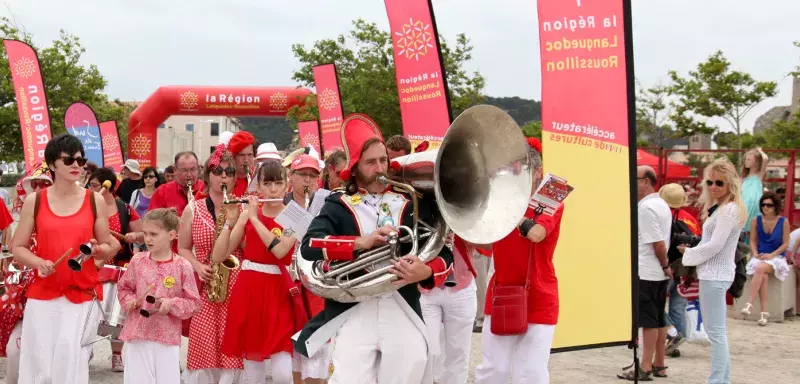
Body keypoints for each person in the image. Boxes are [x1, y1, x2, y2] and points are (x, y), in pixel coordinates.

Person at [295, 113, 453, 383]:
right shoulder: (338, 204)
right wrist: (361, 242)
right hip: (355, 308)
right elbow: (310, 245)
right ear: (355, 168)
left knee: (412, 366)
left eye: (383, 160)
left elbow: (445, 254)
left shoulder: (412, 201)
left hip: (401, 304)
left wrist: (426, 272)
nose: (380, 168)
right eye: (370, 162)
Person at [11, 134, 121, 384]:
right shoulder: (35, 201)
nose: (77, 166)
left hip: (81, 293)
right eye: (69, 160)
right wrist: (38, 262)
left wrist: (96, 250)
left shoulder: (94, 200)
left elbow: (108, 245)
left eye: (81, 161)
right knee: (39, 367)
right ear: (52, 164)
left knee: (71, 363)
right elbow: (17, 247)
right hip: (43, 293)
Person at [474, 138, 564, 384]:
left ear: (537, 172)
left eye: (520, 170)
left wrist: (509, 211)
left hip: (539, 295)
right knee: (493, 369)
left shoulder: (552, 192)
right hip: (502, 291)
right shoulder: (503, 196)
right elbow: (488, 244)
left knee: (530, 373)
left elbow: (537, 234)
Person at [212, 161, 299, 384]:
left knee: (282, 373)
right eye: (267, 184)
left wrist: (254, 219)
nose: (273, 189)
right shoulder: (246, 214)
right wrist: (230, 223)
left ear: (287, 185)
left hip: (278, 291)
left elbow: (280, 250)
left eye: (278, 183)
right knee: (253, 370)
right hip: (249, 289)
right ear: (258, 187)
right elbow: (219, 256)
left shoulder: (295, 216)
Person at [177, 146, 244, 383]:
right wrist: (197, 265)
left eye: (229, 172)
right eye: (217, 171)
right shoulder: (192, 209)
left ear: (235, 177)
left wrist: (238, 219)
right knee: (203, 345)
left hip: (236, 285)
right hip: (206, 285)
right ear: (207, 175)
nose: (223, 176)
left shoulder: (242, 208)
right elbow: (182, 248)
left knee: (233, 346)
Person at [680, 157, 747, 384]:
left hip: (715, 274)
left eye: (720, 183)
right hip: (714, 273)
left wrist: (689, 255)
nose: (714, 187)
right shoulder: (722, 208)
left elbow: (715, 246)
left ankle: (718, 381)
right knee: (717, 332)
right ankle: (721, 380)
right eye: (710, 182)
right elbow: (713, 244)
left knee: (716, 333)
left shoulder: (728, 210)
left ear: (730, 185)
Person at [117, 208, 202, 383]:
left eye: (154, 234)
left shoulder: (183, 265)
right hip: (137, 334)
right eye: (145, 233)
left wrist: (171, 303)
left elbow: (194, 303)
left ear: (172, 235)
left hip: (166, 339)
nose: (148, 239)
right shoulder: (137, 260)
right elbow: (124, 288)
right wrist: (130, 301)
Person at [619, 166, 672, 381]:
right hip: (656, 272)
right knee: (659, 319)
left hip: (648, 270)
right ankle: (659, 363)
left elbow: (657, 243)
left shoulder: (646, 208)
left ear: (646, 181)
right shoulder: (661, 204)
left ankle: (646, 366)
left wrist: (665, 264)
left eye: (635, 178)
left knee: (649, 321)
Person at [420, 234, 477, 384]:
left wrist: (463, 233)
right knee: (425, 350)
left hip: (461, 283)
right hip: (424, 286)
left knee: (458, 353)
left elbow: (489, 245)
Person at [658, 183, 700, 358]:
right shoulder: (690, 219)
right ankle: (674, 345)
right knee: (678, 306)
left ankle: (673, 334)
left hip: (665, 266)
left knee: (653, 303)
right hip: (686, 268)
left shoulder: (660, 216)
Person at [741, 191, 791, 326]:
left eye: (769, 205)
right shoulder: (755, 220)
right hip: (760, 256)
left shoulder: (783, 221)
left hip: (777, 257)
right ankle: (764, 313)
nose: (765, 207)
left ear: (776, 206)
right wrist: (755, 253)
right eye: (763, 204)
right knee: (763, 275)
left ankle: (749, 303)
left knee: (760, 268)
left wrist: (772, 255)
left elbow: (786, 243)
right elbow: (752, 240)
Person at [149, 152, 205, 216]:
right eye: (184, 170)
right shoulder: (162, 191)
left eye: (193, 169)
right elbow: (150, 219)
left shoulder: (206, 189)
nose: (189, 175)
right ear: (175, 170)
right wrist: (165, 215)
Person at [741, 148, 767, 243]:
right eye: (745, 159)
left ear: (756, 162)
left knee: (753, 232)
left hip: (755, 208)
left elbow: (765, 159)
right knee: (743, 231)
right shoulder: (744, 178)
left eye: (749, 159)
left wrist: (759, 151)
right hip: (744, 207)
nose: (746, 161)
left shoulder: (759, 175)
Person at [225, 131, 257, 197]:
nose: (246, 160)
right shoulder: (223, 179)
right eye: (242, 155)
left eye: (250, 154)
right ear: (233, 157)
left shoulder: (258, 179)